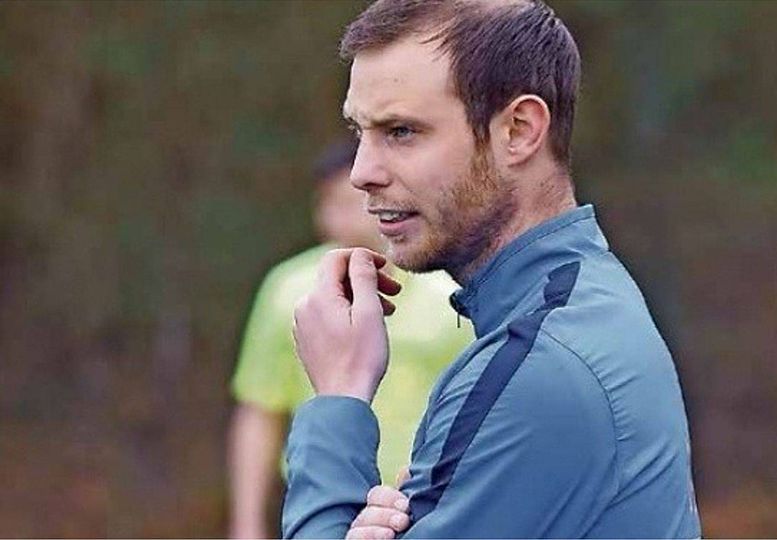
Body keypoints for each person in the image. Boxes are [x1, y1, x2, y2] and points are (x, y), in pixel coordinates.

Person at [284, 0, 701, 538]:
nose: (363, 172)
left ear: (520, 130)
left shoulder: (541, 366)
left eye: (402, 132)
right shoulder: (583, 303)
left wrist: (338, 399)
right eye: (359, 132)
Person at [227, 140, 473, 539]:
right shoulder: (288, 291)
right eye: (328, 203)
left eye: (351, 201)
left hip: (431, 506)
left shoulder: (450, 289)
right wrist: (246, 524)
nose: (338, 218)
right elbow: (259, 408)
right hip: (325, 501)